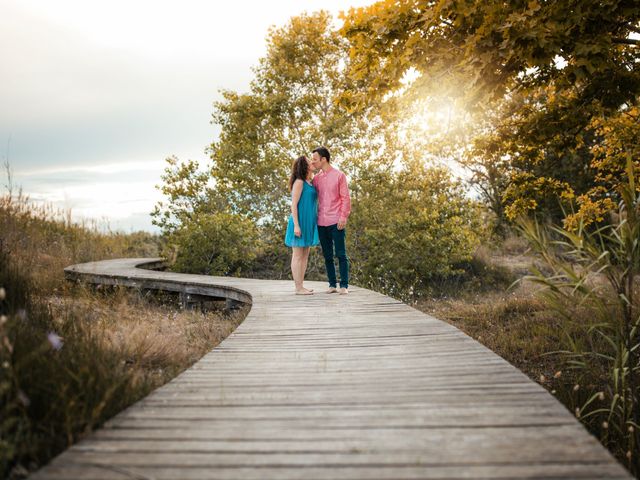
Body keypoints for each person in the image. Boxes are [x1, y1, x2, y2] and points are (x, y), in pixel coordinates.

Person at [310, 146, 351, 294]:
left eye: (315, 159)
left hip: (336, 221)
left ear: (324, 159)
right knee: (327, 255)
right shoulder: (316, 179)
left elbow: (345, 197)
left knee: (341, 253)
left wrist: (343, 216)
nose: (313, 162)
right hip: (321, 221)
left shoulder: (339, 175)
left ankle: (344, 285)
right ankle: (332, 284)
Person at [284, 155, 319, 295]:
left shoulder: (309, 182)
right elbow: (294, 205)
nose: (312, 162)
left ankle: (301, 285)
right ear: (304, 166)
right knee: (298, 255)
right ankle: (298, 288)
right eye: (309, 161)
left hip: (309, 222)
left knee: (305, 255)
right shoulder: (299, 182)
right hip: (299, 222)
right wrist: (297, 226)